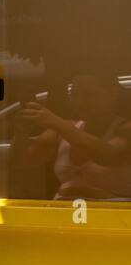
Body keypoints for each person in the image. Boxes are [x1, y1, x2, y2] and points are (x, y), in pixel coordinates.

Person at [18, 71, 131, 200]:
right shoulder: (64, 128)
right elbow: (27, 161)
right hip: (63, 213)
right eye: (75, 95)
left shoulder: (126, 129)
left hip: (113, 215)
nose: (80, 102)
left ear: (112, 93)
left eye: (89, 95)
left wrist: (56, 122)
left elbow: (108, 155)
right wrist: (21, 131)